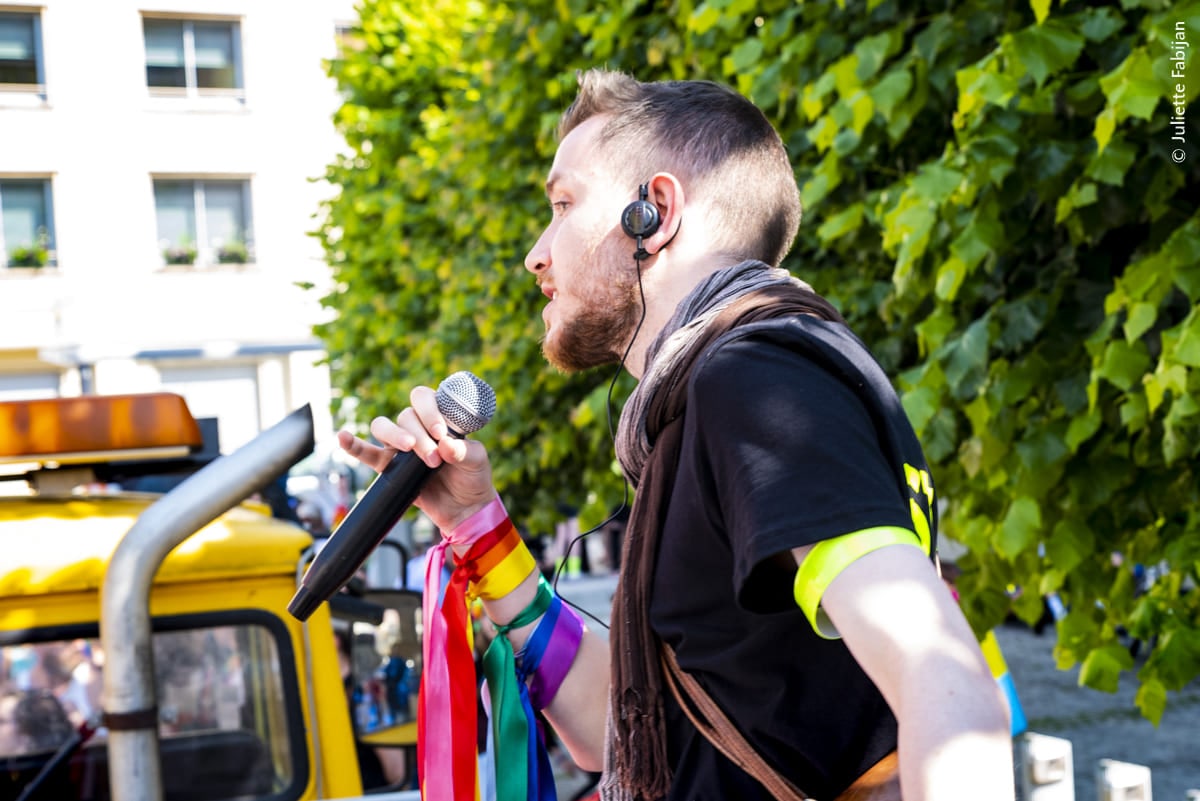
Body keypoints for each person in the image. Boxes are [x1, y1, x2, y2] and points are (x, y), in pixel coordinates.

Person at [339, 69, 1013, 801]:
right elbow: (619, 730)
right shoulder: (707, 406)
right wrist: (476, 524)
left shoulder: (761, 379)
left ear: (652, 212)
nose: (536, 253)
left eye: (563, 204)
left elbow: (943, 677)